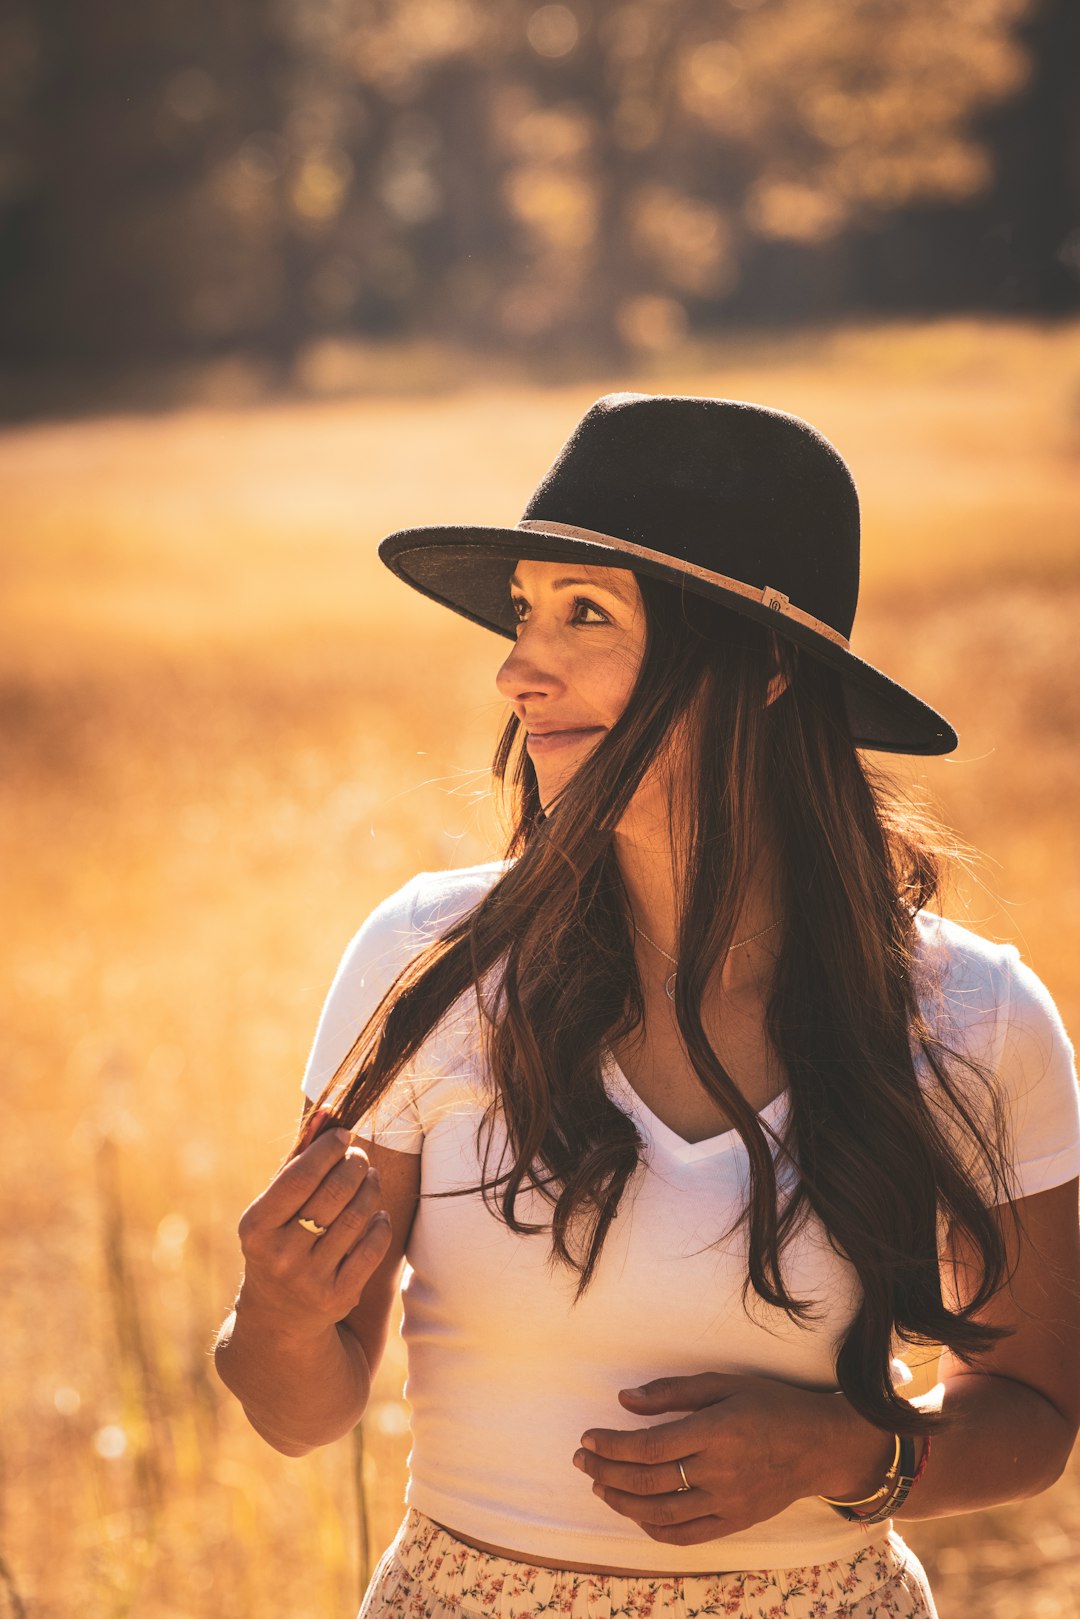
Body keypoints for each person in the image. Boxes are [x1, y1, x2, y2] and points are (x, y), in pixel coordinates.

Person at [214, 394, 1080, 1619]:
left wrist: (837, 1450)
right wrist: (279, 1313)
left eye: (586, 612)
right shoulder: (430, 960)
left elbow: (1035, 1419)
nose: (518, 666)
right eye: (523, 610)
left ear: (768, 663)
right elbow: (295, 1407)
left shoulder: (975, 1013)